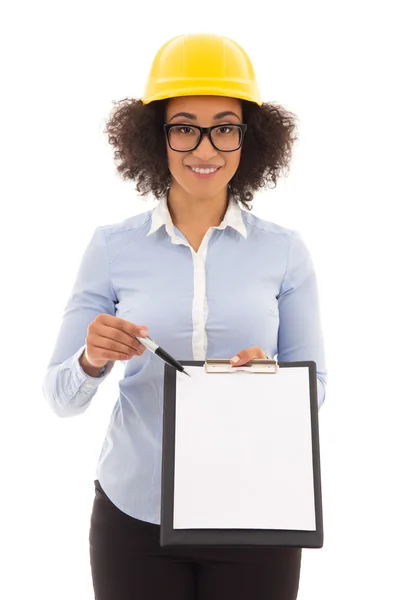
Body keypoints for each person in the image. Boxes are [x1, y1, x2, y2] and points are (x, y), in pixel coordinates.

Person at [42, 32, 327, 600]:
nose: (206, 147)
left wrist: (268, 383)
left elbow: (313, 388)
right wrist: (93, 358)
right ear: (156, 137)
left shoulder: (285, 252)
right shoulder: (111, 248)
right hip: (135, 516)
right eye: (184, 127)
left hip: (257, 514)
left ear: (250, 138)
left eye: (225, 126)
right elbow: (59, 398)